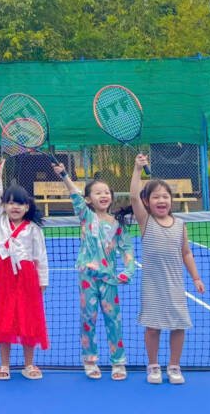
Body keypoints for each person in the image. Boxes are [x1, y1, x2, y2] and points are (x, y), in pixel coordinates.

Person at [54, 162, 135, 381]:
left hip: (109, 280)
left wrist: (128, 270)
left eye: (107, 192)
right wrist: (64, 175)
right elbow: (74, 195)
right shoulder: (86, 216)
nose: (104, 195)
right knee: (88, 319)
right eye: (98, 193)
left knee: (113, 320)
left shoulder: (118, 224)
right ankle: (89, 360)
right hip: (87, 278)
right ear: (89, 199)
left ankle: (118, 362)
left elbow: (127, 250)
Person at [130, 154, 205, 385]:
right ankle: (153, 366)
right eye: (156, 197)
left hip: (175, 286)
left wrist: (196, 277)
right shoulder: (146, 221)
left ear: (171, 200)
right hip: (152, 286)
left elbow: (186, 253)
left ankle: (174, 366)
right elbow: (132, 196)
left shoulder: (180, 225)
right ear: (147, 201)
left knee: (178, 326)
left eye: (165, 196)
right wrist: (137, 169)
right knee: (153, 328)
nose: (161, 200)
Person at [0, 159, 49, 381]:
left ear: (27, 206)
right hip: (3, 274)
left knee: (28, 319)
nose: (15, 207)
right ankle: (4, 364)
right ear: (4, 205)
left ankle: (29, 364)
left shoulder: (33, 229)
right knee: (3, 318)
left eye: (20, 203)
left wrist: (42, 281)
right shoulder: (1, 221)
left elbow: (41, 256)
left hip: (27, 277)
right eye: (10, 202)